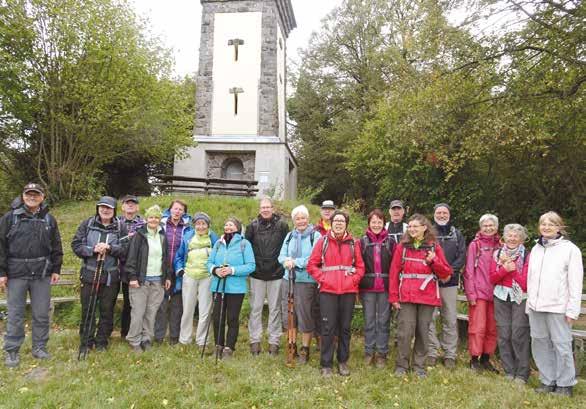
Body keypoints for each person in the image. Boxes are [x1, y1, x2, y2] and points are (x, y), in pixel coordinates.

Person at [0, 183, 63, 367]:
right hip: (16, 273)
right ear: (23, 195)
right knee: (15, 314)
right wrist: (1, 272)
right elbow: (1, 247)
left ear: (42, 197)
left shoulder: (49, 220)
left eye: (36, 194)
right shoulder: (9, 218)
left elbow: (57, 246)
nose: (32, 197)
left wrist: (56, 269)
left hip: (42, 274)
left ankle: (40, 347)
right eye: (29, 194)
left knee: (41, 314)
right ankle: (12, 351)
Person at [526, 212, 583, 397]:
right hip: (536, 307)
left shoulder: (570, 249)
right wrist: (529, 303)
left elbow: (575, 282)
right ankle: (547, 380)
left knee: (562, 345)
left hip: (558, 307)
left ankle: (565, 384)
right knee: (540, 343)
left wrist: (572, 310)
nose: (547, 227)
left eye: (551, 224)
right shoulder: (536, 248)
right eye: (543, 223)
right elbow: (531, 279)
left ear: (559, 227)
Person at [389, 214, 452, 378]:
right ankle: (402, 365)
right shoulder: (402, 247)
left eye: (415, 226)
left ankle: (419, 367)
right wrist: (394, 297)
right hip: (407, 296)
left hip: (427, 296)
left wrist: (434, 260)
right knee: (404, 332)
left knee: (423, 332)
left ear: (425, 228)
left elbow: (446, 273)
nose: (412, 229)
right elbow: (394, 272)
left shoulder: (433, 247)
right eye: (410, 227)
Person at [307, 210, 365, 377]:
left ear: (346, 224)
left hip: (348, 291)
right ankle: (326, 364)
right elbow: (312, 265)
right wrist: (324, 279)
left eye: (342, 221)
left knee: (345, 328)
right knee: (328, 328)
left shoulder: (354, 243)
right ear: (331, 223)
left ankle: (342, 361)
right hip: (328, 291)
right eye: (336, 221)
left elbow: (361, 267)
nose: (339, 223)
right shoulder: (322, 242)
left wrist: (353, 280)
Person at [72, 196, 128, 353]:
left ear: (114, 210)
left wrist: (110, 248)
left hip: (110, 277)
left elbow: (125, 250)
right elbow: (76, 245)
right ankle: (86, 341)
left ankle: (102, 341)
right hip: (90, 274)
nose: (105, 210)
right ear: (97, 208)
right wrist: (92, 250)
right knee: (88, 309)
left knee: (107, 310)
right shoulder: (87, 224)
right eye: (102, 207)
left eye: (109, 208)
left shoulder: (120, 227)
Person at [124, 206, 171, 352]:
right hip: (140, 280)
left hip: (157, 280)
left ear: (159, 220)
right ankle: (134, 340)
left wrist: (167, 276)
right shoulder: (139, 236)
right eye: (151, 217)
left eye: (156, 217)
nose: (154, 220)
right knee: (138, 312)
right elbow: (131, 258)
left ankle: (146, 339)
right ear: (146, 219)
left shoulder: (162, 237)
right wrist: (132, 277)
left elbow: (166, 259)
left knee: (151, 312)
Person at [245, 198, 289, 356]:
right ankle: (254, 340)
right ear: (259, 209)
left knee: (275, 309)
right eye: (263, 207)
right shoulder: (252, 226)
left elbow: (286, 247)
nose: (265, 209)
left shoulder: (282, 226)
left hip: (276, 273)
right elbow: (246, 248)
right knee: (255, 308)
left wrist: (281, 266)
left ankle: (274, 341)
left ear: (273, 208)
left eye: (268, 207)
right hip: (257, 274)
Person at [207, 217, 255, 359]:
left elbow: (251, 266)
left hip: (236, 288)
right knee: (217, 317)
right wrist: (215, 270)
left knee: (232, 318)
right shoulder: (218, 243)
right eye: (226, 224)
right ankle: (218, 346)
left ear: (237, 228)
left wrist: (232, 270)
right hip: (218, 286)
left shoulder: (244, 244)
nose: (228, 227)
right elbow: (209, 262)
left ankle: (229, 348)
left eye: (231, 225)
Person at [278, 205, 321, 364]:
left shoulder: (315, 236)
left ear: (308, 219)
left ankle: (305, 349)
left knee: (305, 315)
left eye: (303, 218)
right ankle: (292, 345)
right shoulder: (289, 236)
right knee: (290, 315)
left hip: (306, 281)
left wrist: (295, 262)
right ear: (294, 220)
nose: (301, 221)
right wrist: (286, 261)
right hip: (288, 279)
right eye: (298, 218)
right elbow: (281, 256)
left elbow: (314, 258)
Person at [489, 224, 530, 383]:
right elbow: (492, 278)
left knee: (518, 335)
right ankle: (509, 371)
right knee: (504, 335)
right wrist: (504, 269)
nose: (512, 238)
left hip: (520, 297)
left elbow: (525, 283)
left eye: (516, 236)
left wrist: (511, 269)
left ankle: (522, 374)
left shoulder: (527, 255)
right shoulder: (497, 254)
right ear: (504, 237)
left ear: (521, 239)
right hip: (501, 296)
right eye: (510, 235)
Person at [427, 203, 466, 369]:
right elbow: (424, 255)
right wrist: (437, 272)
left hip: (449, 282)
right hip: (429, 282)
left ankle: (450, 354)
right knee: (429, 319)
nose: (442, 215)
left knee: (449, 318)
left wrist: (448, 272)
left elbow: (462, 256)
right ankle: (431, 352)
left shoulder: (456, 234)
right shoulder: (428, 234)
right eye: (438, 212)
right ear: (434, 215)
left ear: (449, 215)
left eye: (444, 213)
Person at [174, 212, 219, 348]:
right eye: (198, 224)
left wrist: (215, 270)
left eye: (203, 224)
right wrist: (180, 270)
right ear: (194, 225)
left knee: (205, 310)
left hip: (207, 277)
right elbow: (179, 256)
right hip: (190, 276)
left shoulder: (213, 238)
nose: (200, 227)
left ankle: (202, 341)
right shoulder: (188, 237)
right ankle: (184, 339)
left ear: (208, 225)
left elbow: (219, 255)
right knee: (187, 309)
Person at [463, 214, 500, 371]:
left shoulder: (501, 245)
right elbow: (469, 271)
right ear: (480, 227)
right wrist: (471, 294)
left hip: (497, 293)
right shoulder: (475, 245)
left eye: (491, 225)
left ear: (496, 227)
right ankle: (474, 359)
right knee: (478, 327)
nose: (488, 228)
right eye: (485, 225)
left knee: (492, 328)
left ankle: (486, 358)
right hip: (479, 294)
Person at [358, 208, 395, 368]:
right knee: (369, 321)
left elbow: (395, 267)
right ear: (369, 223)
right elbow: (358, 265)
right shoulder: (362, 242)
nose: (376, 224)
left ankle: (381, 353)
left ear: (384, 223)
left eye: (379, 222)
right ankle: (368, 352)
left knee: (383, 321)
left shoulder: (391, 242)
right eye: (373, 222)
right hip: (368, 288)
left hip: (386, 288)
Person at [154, 199, 192, 344]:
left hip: (179, 271)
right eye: (175, 209)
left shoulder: (189, 228)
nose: (177, 212)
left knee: (177, 306)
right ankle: (159, 336)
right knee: (161, 305)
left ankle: (174, 337)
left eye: (180, 210)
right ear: (169, 210)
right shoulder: (161, 225)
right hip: (161, 269)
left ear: (184, 213)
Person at [118, 194, 145, 338]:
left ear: (137, 207)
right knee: (108, 302)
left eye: (133, 204)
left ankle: (126, 332)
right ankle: (106, 332)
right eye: (127, 203)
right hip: (115, 267)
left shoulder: (143, 224)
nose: (130, 205)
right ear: (122, 207)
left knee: (130, 302)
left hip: (133, 269)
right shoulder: (116, 222)